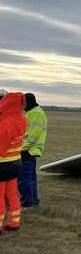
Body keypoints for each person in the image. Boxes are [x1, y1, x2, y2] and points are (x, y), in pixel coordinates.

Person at [0, 92, 27, 233]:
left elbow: (1, 149)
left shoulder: (5, 124)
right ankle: (14, 222)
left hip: (2, 165)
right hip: (16, 163)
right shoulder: (22, 120)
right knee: (12, 194)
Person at [18, 93, 48, 207]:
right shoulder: (32, 112)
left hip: (28, 151)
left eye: (24, 103)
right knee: (30, 178)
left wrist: (20, 148)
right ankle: (33, 200)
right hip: (30, 151)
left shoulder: (36, 113)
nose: (23, 106)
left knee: (25, 179)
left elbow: (32, 137)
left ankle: (27, 202)